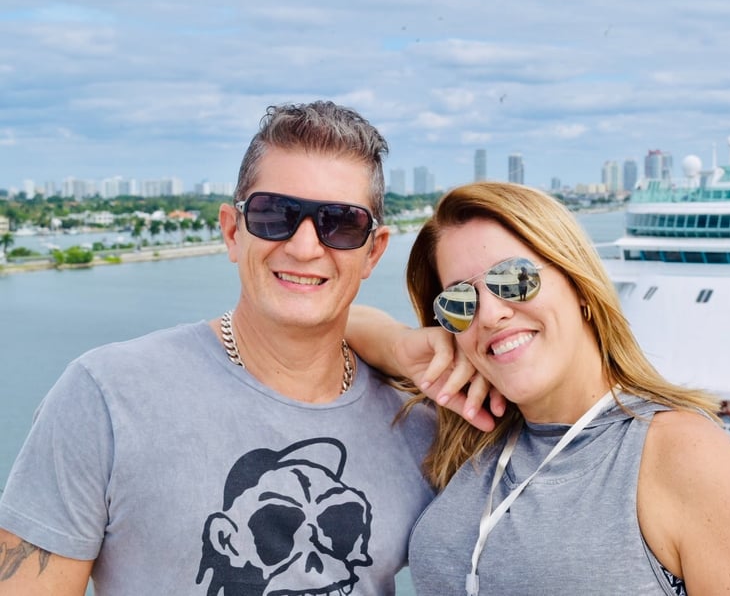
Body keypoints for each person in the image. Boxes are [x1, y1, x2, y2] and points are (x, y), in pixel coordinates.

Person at [0, 101, 439, 595]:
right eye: (275, 215)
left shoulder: (419, 425)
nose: (304, 247)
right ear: (232, 231)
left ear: (373, 251)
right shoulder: (107, 398)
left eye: (340, 223)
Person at [355, 181, 730, 595]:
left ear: (579, 286)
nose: (491, 314)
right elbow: (336, 324)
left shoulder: (678, 452)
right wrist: (401, 346)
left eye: (515, 279)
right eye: (460, 300)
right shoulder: (471, 433)